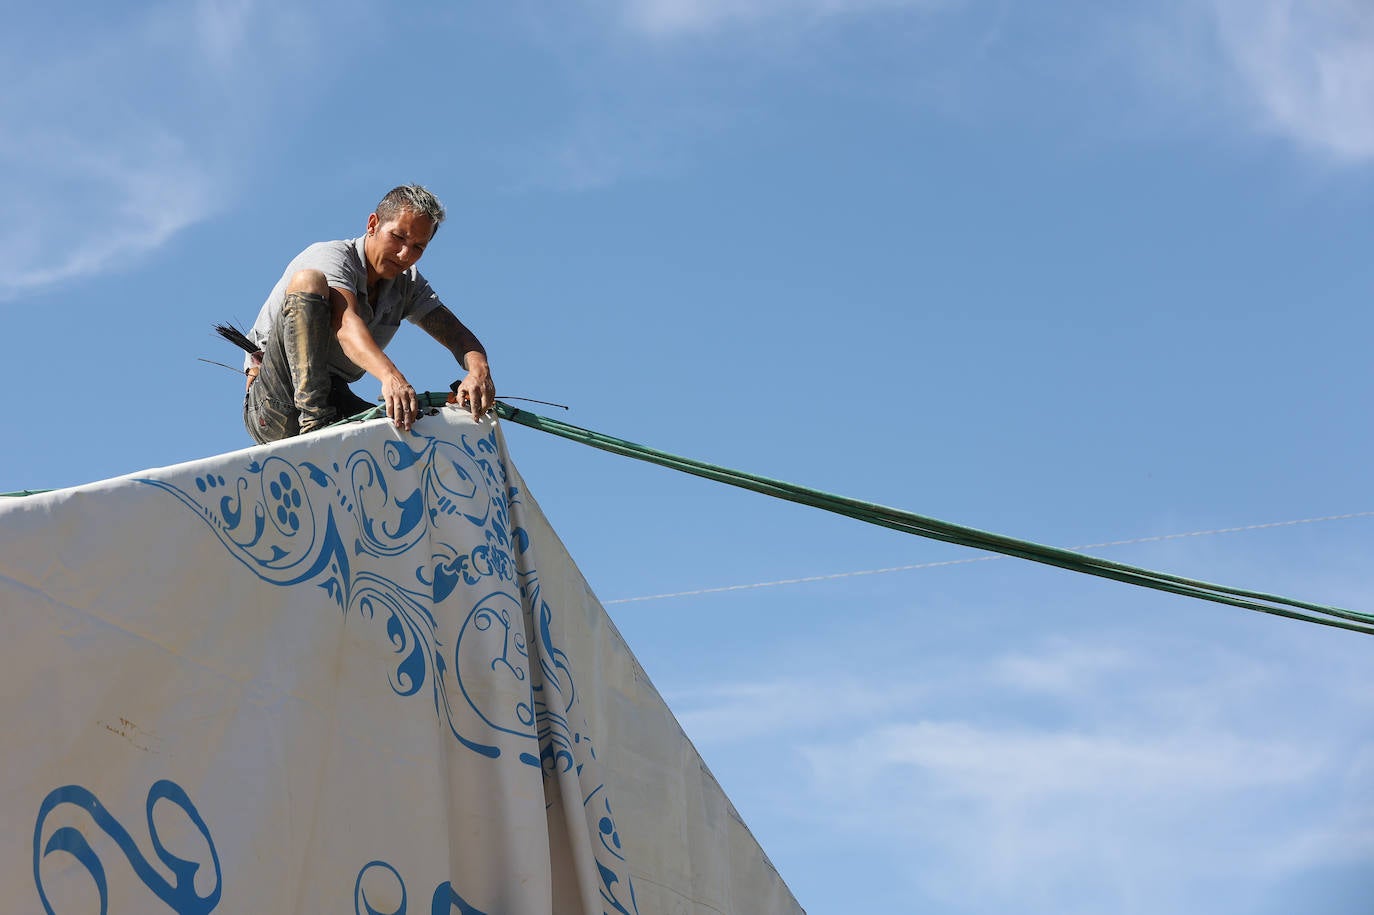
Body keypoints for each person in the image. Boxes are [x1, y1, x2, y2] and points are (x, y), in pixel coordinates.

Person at [241, 184, 494, 444]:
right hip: (274, 401)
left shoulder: (408, 284)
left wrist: (479, 372)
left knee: (412, 429)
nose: (405, 254)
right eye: (398, 237)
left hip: (334, 397)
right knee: (309, 281)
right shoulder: (332, 257)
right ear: (373, 224)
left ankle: (325, 425)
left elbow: (458, 336)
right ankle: (315, 424)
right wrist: (390, 376)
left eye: (418, 247)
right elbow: (346, 324)